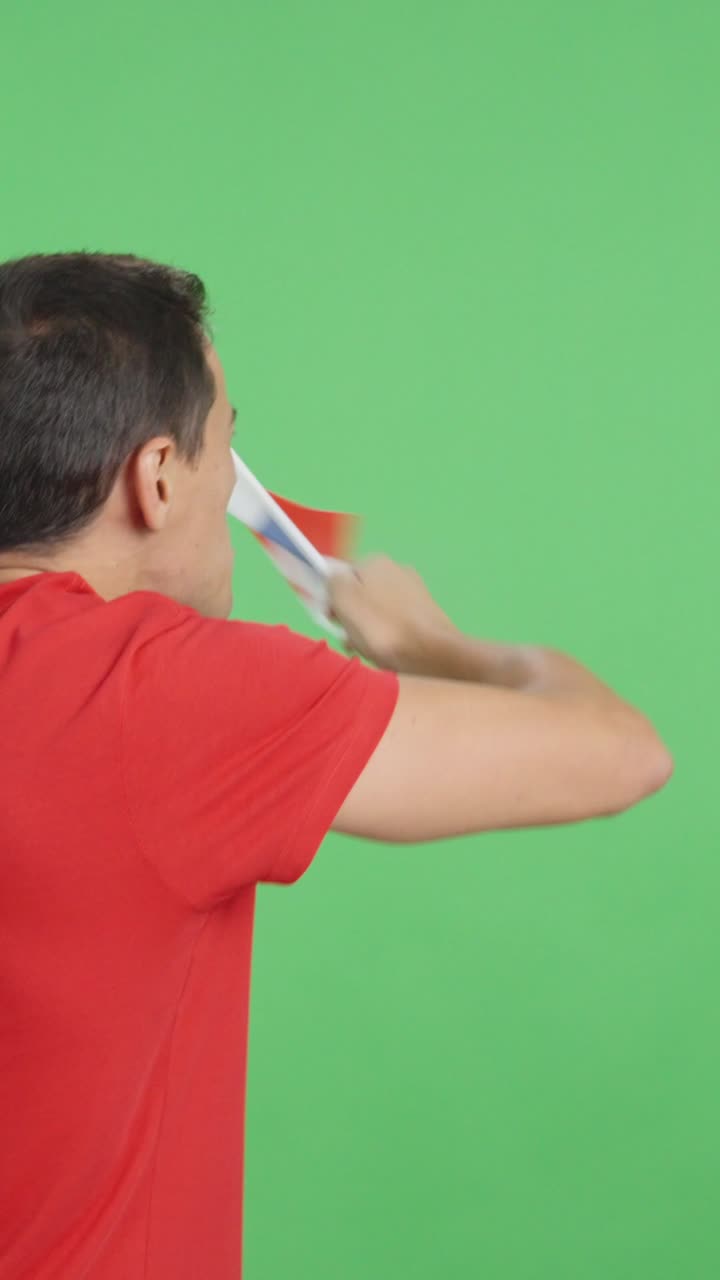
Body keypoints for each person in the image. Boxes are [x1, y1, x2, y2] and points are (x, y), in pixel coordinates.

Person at [0, 251, 673, 1280]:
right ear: (161, 475)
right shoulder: (162, 697)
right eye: (230, 443)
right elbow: (621, 751)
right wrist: (435, 648)